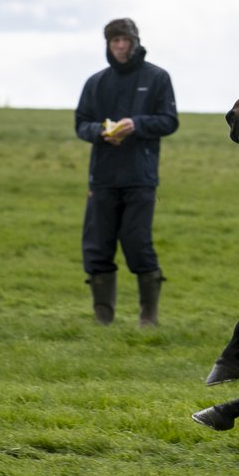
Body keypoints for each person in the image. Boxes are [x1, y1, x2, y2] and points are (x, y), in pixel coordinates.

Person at [75, 18, 178, 326]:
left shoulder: (158, 78)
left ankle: (149, 317)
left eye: (124, 40)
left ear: (135, 42)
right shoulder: (96, 82)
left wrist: (138, 125)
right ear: (108, 45)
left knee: (137, 243)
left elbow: (169, 120)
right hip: (103, 178)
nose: (120, 46)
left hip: (140, 177)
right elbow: (80, 123)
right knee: (97, 246)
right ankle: (102, 318)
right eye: (114, 41)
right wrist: (99, 131)